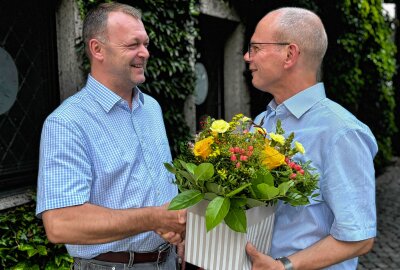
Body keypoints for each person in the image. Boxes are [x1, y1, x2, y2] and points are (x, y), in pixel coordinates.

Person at [35, 2, 186, 270]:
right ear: (97, 49)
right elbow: (60, 224)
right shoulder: (67, 122)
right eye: (132, 45)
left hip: (168, 260)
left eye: (145, 43)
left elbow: (160, 189)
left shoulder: (151, 108)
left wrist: (178, 233)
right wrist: (155, 218)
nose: (145, 53)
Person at [244, 7, 378, 270]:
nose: (247, 56)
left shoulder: (342, 132)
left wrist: (284, 266)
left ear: (289, 54)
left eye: (256, 47)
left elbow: (359, 237)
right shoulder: (260, 122)